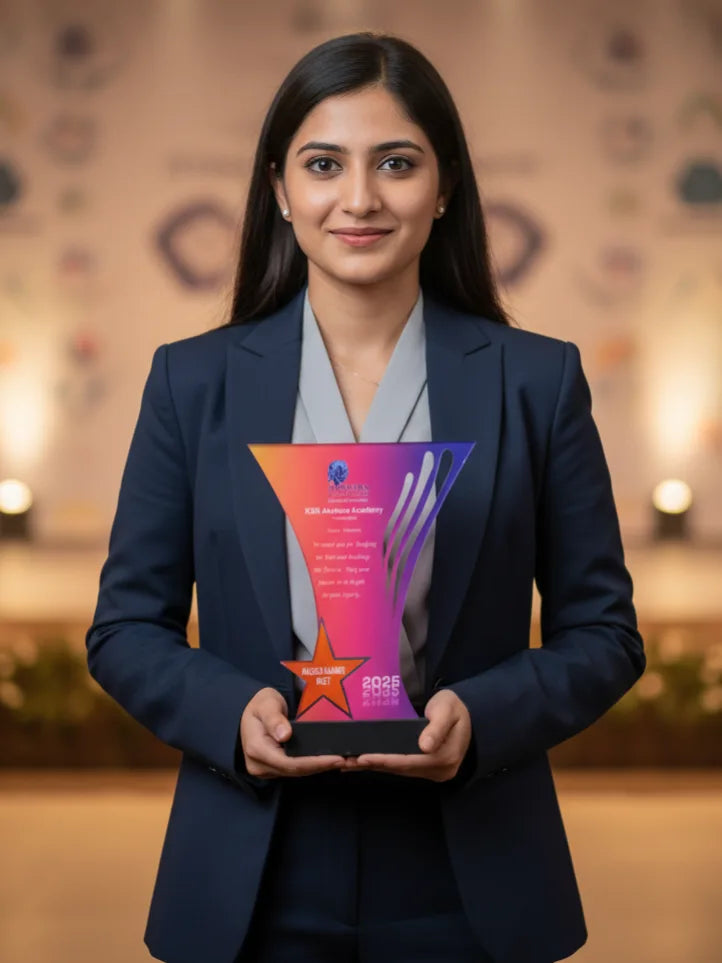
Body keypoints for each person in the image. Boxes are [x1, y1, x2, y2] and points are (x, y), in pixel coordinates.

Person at [86, 32, 645, 963]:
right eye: (322, 164)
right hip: (254, 864)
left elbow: (606, 634)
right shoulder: (193, 383)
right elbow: (122, 629)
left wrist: (484, 715)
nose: (358, 198)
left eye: (396, 162)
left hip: (470, 866)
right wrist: (230, 711)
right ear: (279, 188)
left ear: (447, 184)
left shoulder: (535, 381)